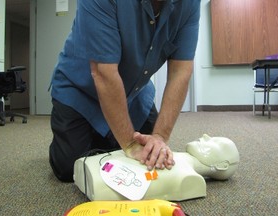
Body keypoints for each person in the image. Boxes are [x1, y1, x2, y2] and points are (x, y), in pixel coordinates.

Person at [49, 0, 201, 182]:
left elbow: (181, 71)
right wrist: (129, 144)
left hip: (134, 94)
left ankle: (109, 137)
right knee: (70, 169)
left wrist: (160, 136)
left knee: (153, 154)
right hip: (79, 89)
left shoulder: (190, 3)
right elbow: (103, 73)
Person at [74, 134, 240, 201]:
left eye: (215, 142)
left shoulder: (191, 178)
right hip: (101, 164)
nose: (205, 136)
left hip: (104, 180)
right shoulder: (171, 153)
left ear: (222, 165)